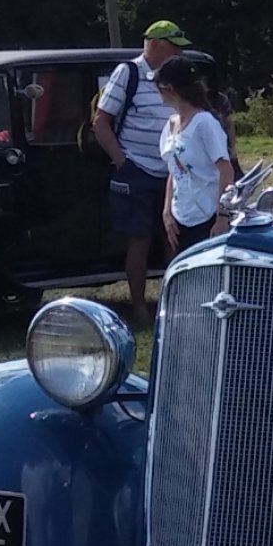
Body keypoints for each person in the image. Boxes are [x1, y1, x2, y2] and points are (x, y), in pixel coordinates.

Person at [92, 19, 191, 325]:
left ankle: (174, 305)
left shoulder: (175, 77)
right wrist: (122, 162)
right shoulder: (129, 72)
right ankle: (139, 307)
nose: (179, 53)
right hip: (137, 169)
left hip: (172, 171)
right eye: (175, 47)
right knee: (140, 238)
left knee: (174, 237)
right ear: (157, 45)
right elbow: (101, 122)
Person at [156, 56, 234, 255]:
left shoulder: (204, 123)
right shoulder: (171, 124)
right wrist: (167, 212)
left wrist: (222, 217)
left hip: (206, 217)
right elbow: (173, 171)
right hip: (179, 216)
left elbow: (226, 170)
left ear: (170, 89)